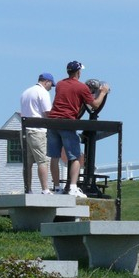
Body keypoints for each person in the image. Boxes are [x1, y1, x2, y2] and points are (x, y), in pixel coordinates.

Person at [47, 61, 109, 198]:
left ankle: (57, 187)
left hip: (52, 122)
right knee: (75, 156)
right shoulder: (82, 88)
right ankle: (73, 187)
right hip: (67, 123)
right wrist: (103, 93)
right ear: (78, 72)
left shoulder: (60, 84)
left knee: (54, 157)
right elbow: (95, 105)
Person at [19, 72, 60, 194]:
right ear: (46, 82)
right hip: (38, 131)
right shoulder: (43, 93)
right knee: (42, 161)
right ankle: (45, 189)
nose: (50, 88)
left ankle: (28, 189)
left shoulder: (26, 92)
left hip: (25, 130)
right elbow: (48, 113)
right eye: (51, 85)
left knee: (28, 163)